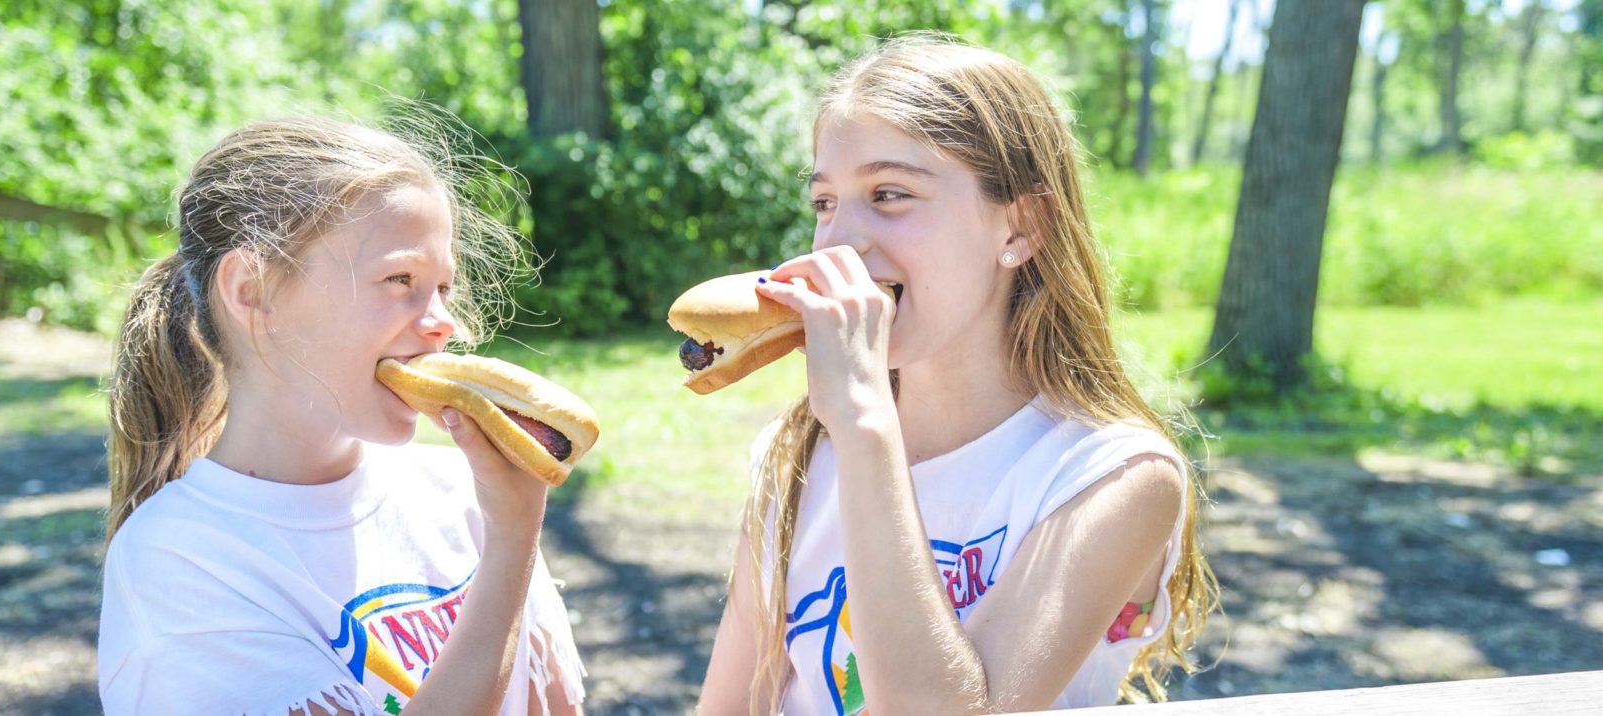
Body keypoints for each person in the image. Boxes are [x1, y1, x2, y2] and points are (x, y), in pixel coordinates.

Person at [698, 36, 1217, 714]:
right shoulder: (795, 455)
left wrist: (863, 429)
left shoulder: (1113, 475)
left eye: (889, 194)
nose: (837, 242)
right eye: (824, 202)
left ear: (1020, 229)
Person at [97, 115, 584, 715]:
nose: (442, 322)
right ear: (253, 288)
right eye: (399, 278)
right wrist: (511, 541)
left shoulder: (461, 492)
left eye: (444, 288)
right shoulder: (180, 560)